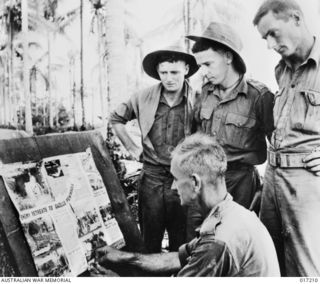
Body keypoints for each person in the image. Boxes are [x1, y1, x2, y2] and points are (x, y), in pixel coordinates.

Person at [94, 133, 280, 277]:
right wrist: (125, 257)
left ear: (195, 183)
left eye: (176, 179)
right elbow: (177, 258)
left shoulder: (217, 241)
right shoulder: (231, 214)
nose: (174, 187)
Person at [183, 22, 274, 240]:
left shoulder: (259, 96)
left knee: (232, 240)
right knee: (195, 239)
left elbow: (277, 147)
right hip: (204, 180)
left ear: (228, 57)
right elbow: (192, 137)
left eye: (208, 64)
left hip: (241, 183)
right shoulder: (204, 93)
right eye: (200, 66)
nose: (203, 72)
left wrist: (265, 190)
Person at [109, 45, 199, 253]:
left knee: (182, 244)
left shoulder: (198, 99)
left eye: (174, 72)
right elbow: (116, 118)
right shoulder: (143, 97)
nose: (168, 78)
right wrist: (132, 148)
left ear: (186, 69)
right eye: (163, 72)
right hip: (151, 178)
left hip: (183, 179)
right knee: (150, 240)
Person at [253, 0, 320, 276]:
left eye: (273, 33)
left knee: (305, 266)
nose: (269, 44)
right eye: (264, 38)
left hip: (305, 179)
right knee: (269, 255)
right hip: (273, 175)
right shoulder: (282, 69)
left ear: (295, 19)